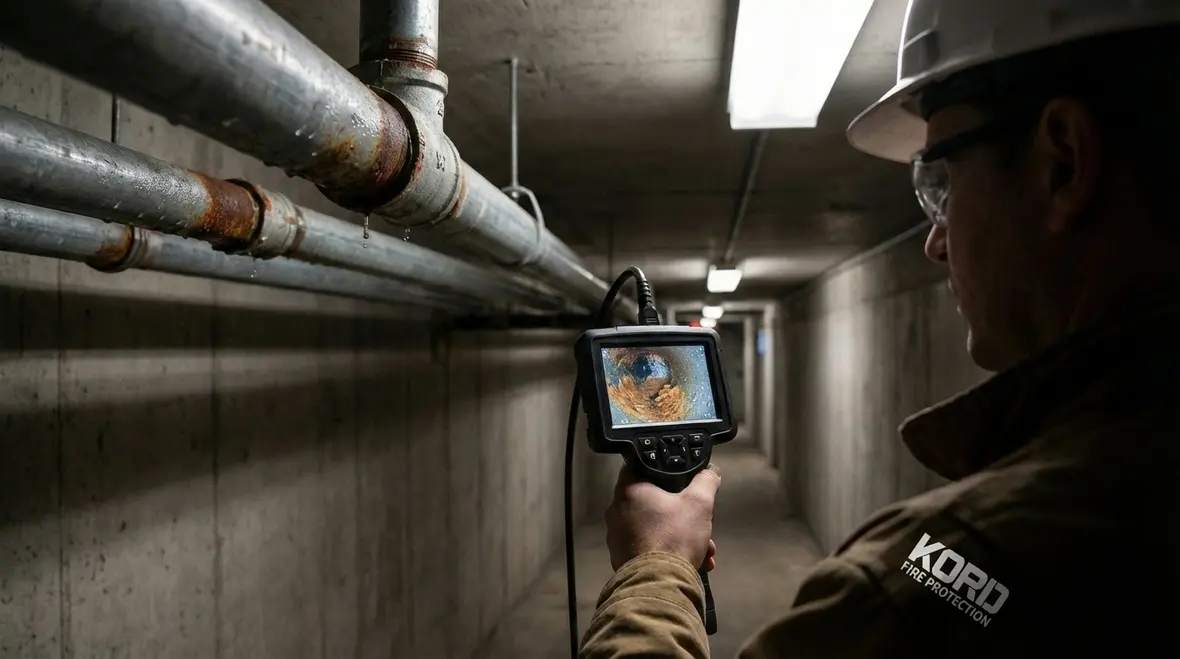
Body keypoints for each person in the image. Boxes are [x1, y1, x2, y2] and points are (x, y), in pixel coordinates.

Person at [579, 1, 1180, 657]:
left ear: (1063, 160)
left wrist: (656, 567)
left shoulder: (934, 581)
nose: (935, 242)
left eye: (942, 182)